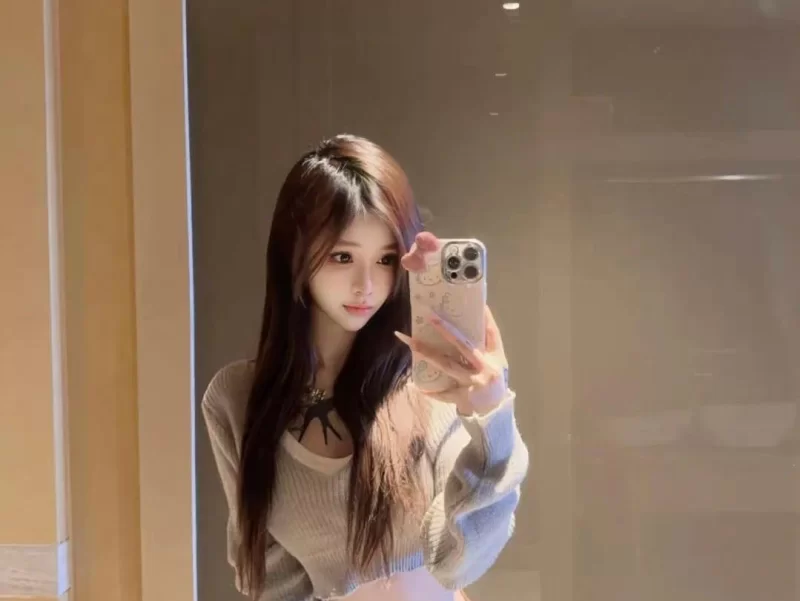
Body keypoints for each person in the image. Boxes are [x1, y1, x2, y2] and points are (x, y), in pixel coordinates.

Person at [202, 134, 529, 601]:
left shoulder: (429, 386)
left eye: (386, 259)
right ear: (294, 255)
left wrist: (492, 421)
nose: (367, 285)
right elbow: (270, 580)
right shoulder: (237, 399)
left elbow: (459, 561)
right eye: (343, 257)